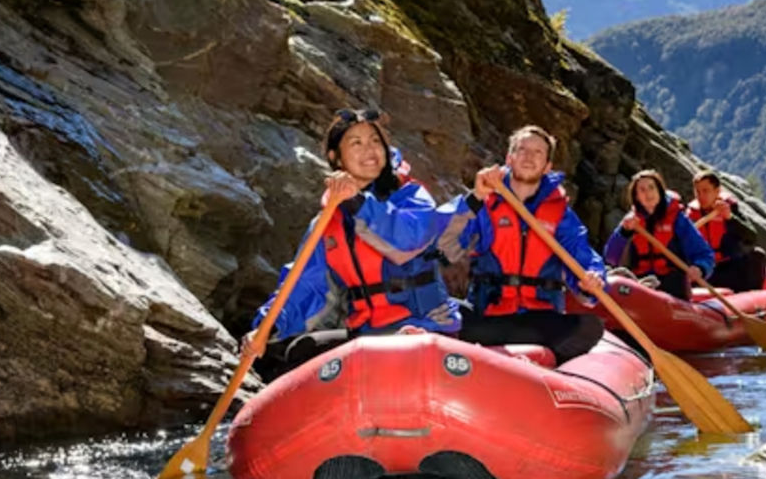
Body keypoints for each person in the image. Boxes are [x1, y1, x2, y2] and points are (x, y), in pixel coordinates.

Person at [241, 108, 461, 367]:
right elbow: (304, 284)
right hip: (368, 331)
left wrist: (356, 202)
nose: (369, 150)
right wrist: (267, 327)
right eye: (356, 143)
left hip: (426, 324)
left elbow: (406, 241)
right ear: (336, 159)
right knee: (302, 350)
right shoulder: (326, 224)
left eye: (375, 141)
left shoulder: (412, 196)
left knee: (401, 349)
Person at [439, 124, 606, 364]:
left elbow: (582, 255)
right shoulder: (484, 200)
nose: (529, 156)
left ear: (548, 166)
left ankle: (527, 367)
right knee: (436, 310)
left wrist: (591, 278)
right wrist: (474, 198)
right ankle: (520, 360)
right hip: (488, 315)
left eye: (538, 152)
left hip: (539, 318)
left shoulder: (560, 214)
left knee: (589, 327)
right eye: (522, 149)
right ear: (509, 158)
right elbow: (443, 246)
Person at [604, 168, 715, 301]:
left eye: (651, 188)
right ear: (636, 197)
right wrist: (624, 232)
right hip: (640, 284)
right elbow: (611, 257)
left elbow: (705, 254)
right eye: (642, 190)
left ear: (659, 191)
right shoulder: (631, 222)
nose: (648, 193)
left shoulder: (677, 220)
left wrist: (700, 268)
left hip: (672, 285)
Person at [685, 170, 766, 292]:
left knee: (757, 255)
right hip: (705, 270)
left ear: (717, 191)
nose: (701, 196)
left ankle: (753, 299)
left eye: (706, 191)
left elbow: (751, 237)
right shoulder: (690, 215)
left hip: (729, 267)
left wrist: (730, 218)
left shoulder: (730, 209)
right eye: (697, 191)